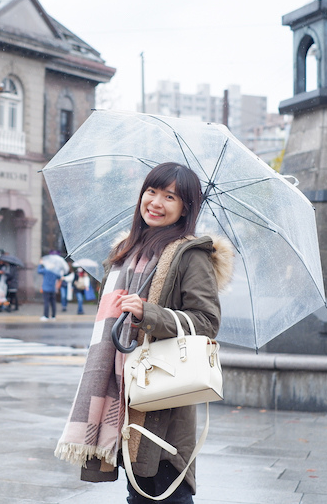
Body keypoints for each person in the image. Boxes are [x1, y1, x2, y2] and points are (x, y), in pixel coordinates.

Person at [54, 162, 233, 503]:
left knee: (167, 491)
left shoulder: (189, 256)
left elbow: (207, 322)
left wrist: (148, 313)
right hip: (126, 392)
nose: (156, 202)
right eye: (152, 191)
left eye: (170, 196)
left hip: (163, 395)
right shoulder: (127, 253)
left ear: (185, 209)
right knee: (139, 493)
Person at [37, 256, 61, 321]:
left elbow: (38, 271)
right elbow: (59, 277)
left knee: (46, 302)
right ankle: (53, 316)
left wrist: (40, 264)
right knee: (53, 303)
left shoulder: (46, 269)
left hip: (46, 288)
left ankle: (46, 316)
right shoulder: (55, 270)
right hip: (53, 289)